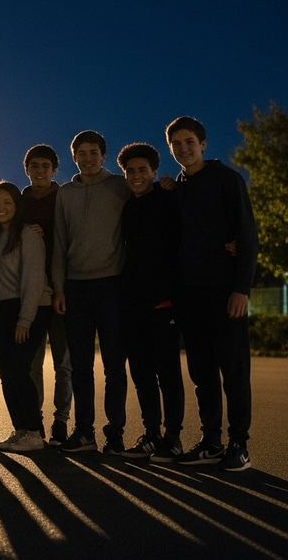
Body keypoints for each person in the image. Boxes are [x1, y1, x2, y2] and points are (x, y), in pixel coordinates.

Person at [166, 116, 258, 471]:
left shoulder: (227, 179)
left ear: (203, 144)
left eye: (189, 142)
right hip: (191, 296)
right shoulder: (178, 187)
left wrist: (241, 289)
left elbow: (247, 237)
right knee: (202, 374)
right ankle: (211, 441)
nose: (184, 149)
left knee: (234, 371)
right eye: (176, 144)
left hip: (225, 293)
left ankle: (239, 443)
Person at [51, 130, 130, 454]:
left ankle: (115, 432)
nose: (88, 158)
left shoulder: (120, 187)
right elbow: (59, 244)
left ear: (103, 155)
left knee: (114, 365)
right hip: (76, 287)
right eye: (81, 153)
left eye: (94, 152)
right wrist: (59, 288)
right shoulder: (65, 194)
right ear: (74, 157)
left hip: (112, 285)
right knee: (80, 366)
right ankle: (84, 431)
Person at [115, 142, 185, 462]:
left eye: (143, 170)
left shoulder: (169, 198)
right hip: (132, 304)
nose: (136, 175)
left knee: (167, 373)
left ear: (155, 172)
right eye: (130, 171)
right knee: (141, 374)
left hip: (163, 303)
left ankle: (173, 438)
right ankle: (151, 434)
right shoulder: (128, 206)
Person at [0, 183, 53, 453]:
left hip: (32, 306)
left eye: (8, 203)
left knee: (18, 368)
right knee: (6, 373)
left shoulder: (28, 235)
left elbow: (34, 279)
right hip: (2, 308)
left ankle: (35, 432)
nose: (1, 208)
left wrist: (25, 319)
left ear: (17, 206)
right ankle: (21, 431)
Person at [22, 144, 73, 445]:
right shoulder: (21, 201)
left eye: (45, 165)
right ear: (26, 169)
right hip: (32, 293)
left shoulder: (64, 198)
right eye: (34, 165)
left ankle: (61, 422)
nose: (40, 170)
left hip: (62, 291)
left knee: (64, 364)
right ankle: (35, 421)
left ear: (54, 170)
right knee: (32, 364)